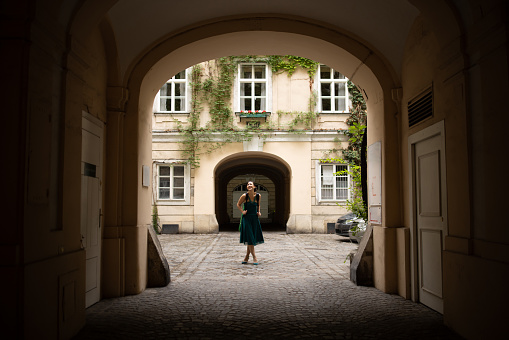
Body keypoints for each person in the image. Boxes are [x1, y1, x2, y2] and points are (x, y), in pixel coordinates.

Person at [237, 181, 264, 265]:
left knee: (250, 238)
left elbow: (258, 205)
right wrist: (242, 211)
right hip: (247, 219)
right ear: (247, 187)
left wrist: (259, 212)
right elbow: (238, 204)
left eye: (250, 184)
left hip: (254, 219)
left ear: (254, 186)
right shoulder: (244, 196)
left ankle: (246, 257)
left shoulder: (258, 196)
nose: (249, 185)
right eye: (248, 184)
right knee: (250, 237)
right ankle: (254, 257)